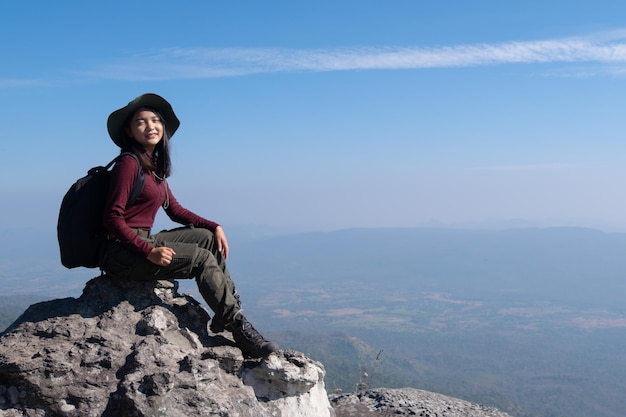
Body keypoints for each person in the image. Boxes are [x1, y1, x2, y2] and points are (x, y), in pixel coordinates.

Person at [100, 93, 278, 358]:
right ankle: (238, 326)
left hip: (142, 242)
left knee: (207, 238)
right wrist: (148, 251)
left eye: (156, 120)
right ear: (129, 130)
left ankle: (226, 309)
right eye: (141, 122)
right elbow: (112, 219)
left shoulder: (152, 165)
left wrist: (214, 225)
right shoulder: (128, 164)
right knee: (200, 258)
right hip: (121, 252)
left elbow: (174, 210)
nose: (150, 126)